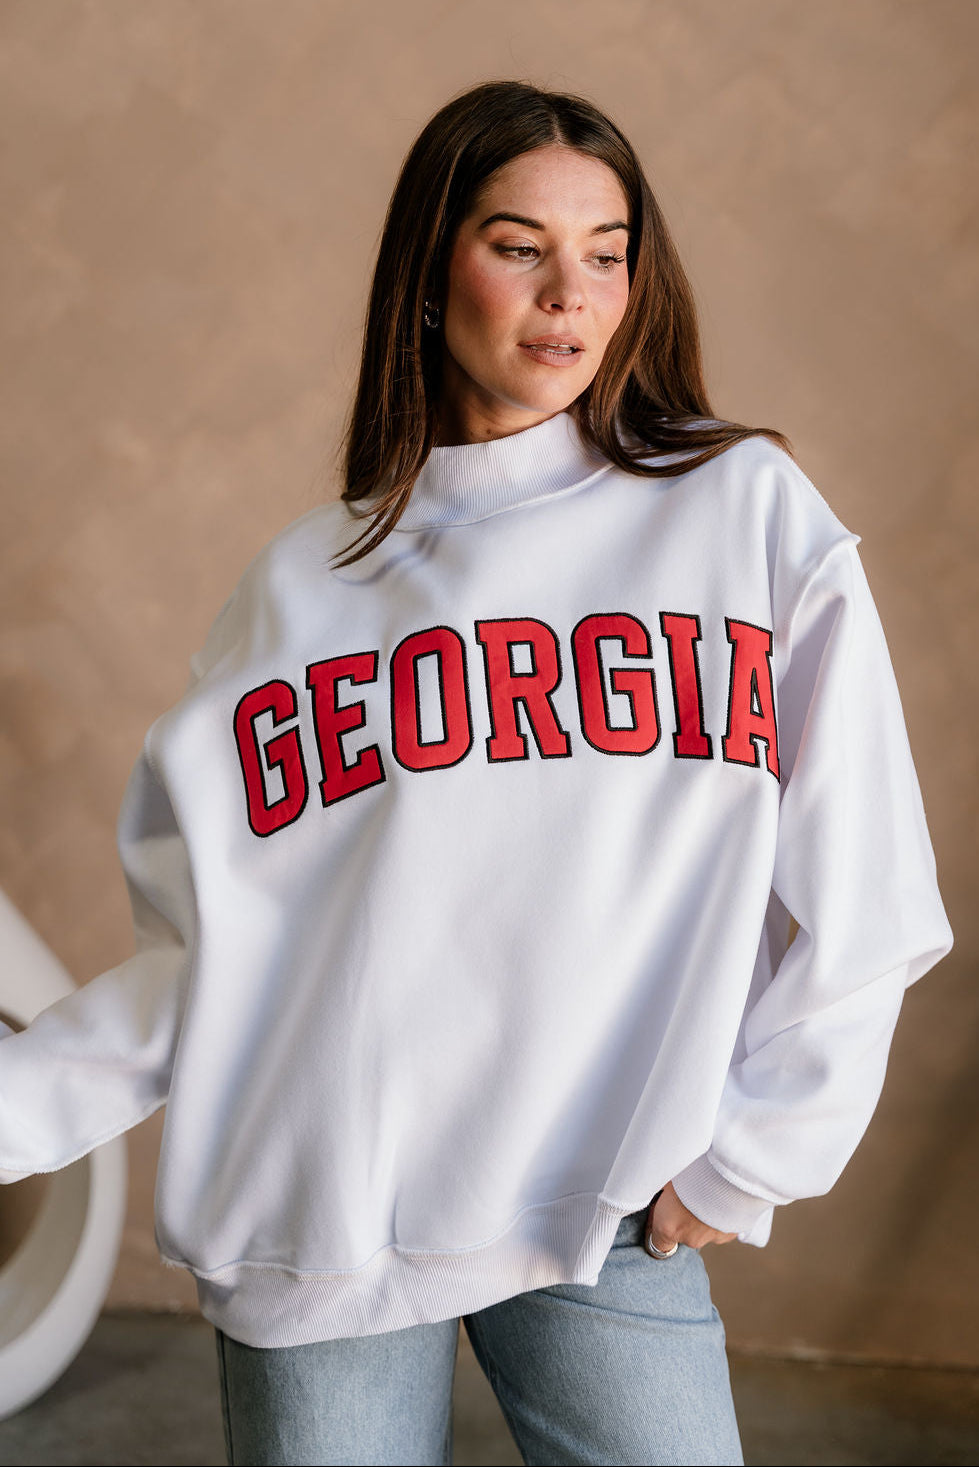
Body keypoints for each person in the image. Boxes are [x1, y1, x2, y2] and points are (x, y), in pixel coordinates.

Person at [0, 79, 952, 1467]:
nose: (571, 292)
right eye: (519, 246)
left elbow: (871, 885)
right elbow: (225, 958)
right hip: (318, 1230)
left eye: (607, 251)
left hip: (608, 1210)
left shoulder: (743, 515)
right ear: (430, 271)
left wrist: (755, 1154)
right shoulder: (303, 590)